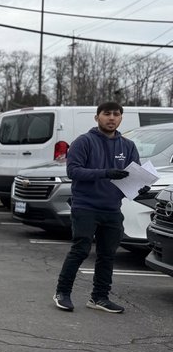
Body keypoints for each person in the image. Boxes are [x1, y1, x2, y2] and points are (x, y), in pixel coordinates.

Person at [53, 102, 139, 314]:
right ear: (97, 117)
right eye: (106, 114)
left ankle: (99, 298)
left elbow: (135, 176)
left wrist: (140, 188)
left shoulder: (128, 146)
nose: (111, 118)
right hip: (86, 206)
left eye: (116, 114)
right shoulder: (84, 142)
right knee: (80, 250)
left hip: (112, 209)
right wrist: (106, 173)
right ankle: (62, 293)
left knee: (107, 255)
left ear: (121, 118)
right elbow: (73, 172)